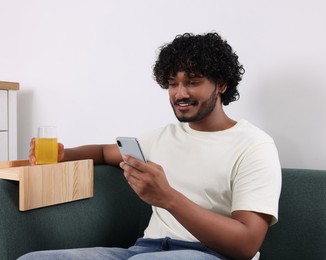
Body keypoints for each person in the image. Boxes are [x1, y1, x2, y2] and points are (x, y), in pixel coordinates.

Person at [22, 32, 281, 260]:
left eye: (193, 81)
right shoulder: (161, 138)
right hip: (143, 251)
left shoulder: (254, 145)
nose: (180, 93)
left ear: (221, 84)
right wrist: (63, 154)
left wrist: (167, 198)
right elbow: (103, 152)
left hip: (210, 254)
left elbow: (247, 244)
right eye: (172, 83)